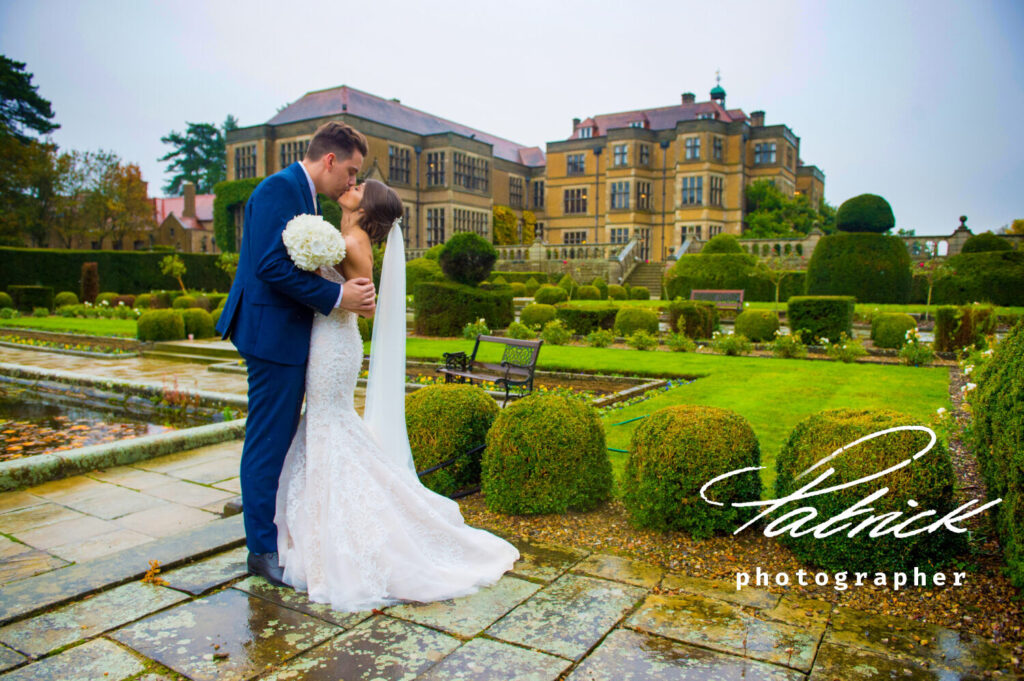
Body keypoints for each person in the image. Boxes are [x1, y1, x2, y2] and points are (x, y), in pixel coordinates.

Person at [274, 179, 519, 611]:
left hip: (332, 343)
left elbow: (363, 299)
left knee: (330, 423)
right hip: (330, 340)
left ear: (368, 207)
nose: (352, 185)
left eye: (360, 186)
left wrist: (307, 267)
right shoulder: (347, 236)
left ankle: (344, 533)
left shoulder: (353, 240)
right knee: (330, 423)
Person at [215, 122, 377, 585]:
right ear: (329, 160)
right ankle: (261, 549)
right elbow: (268, 266)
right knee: (268, 440)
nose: (351, 181)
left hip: (291, 333)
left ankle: (277, 532)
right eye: (350, 170)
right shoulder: (277, 190)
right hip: (270, 334)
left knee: (281, 438)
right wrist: (336, 297)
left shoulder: (305, 197)